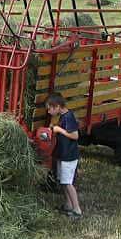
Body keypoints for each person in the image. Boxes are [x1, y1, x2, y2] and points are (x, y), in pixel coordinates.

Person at [46, 92, 82, 220]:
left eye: (50, 108)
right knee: (62, 181)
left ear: (57, 106)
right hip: (63, 154)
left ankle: (77, 209)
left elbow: (75, 135)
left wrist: (59, 130)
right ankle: (68, 205)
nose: (49, 111)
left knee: (68, 183)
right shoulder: (62, 116)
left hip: (69, 156)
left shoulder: (69, 117)